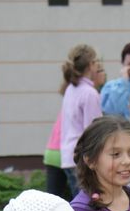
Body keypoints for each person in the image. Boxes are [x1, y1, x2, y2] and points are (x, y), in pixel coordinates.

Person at [46, 62, 108, 199]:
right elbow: (92, 130)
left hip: (59, 152)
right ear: (91, 71)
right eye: (100, 70)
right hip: (70, 153)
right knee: (83, 202)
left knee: (57, 203)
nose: (104, 74)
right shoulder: (88, 94)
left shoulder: (73, 91)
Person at [61, 44, 103, 197]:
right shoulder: (89, 93)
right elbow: (95, 132)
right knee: (88, 209)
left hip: (68, 156)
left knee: (79, 205)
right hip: (82, 160)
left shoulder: (71, 89)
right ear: (91, 64)